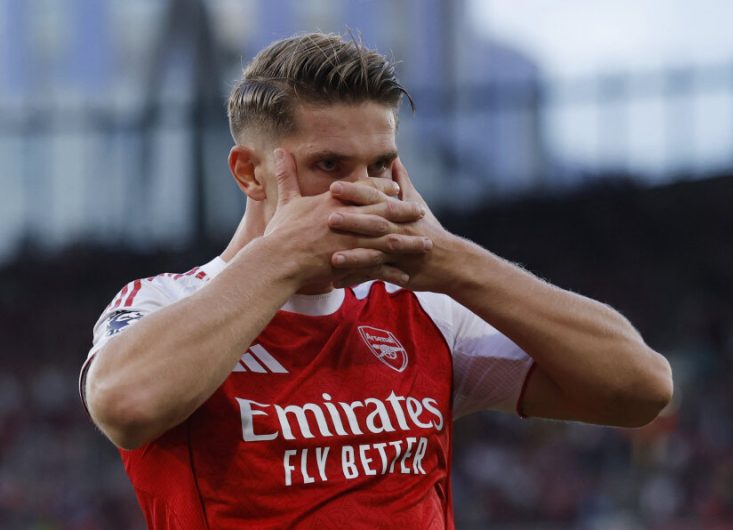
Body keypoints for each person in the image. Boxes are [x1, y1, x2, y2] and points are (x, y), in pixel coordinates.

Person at [80, 33, 672, 529]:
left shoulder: (427, 310)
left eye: (380, 165)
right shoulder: (167, 301)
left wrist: (453, 260)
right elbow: (127, 405)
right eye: (330, 165)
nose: (366, 190)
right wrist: (283, 256)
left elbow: (640, 387)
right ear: (250, 173)